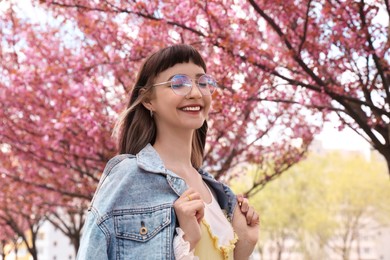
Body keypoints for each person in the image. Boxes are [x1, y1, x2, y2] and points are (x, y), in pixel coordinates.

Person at [77, 44, 259, 259]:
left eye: (202, 82)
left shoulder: (217, 193)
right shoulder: (128, 176)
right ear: (148, 100)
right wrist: (187, 241)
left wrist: (244, 247)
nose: (195, 92)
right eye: (179, 83)